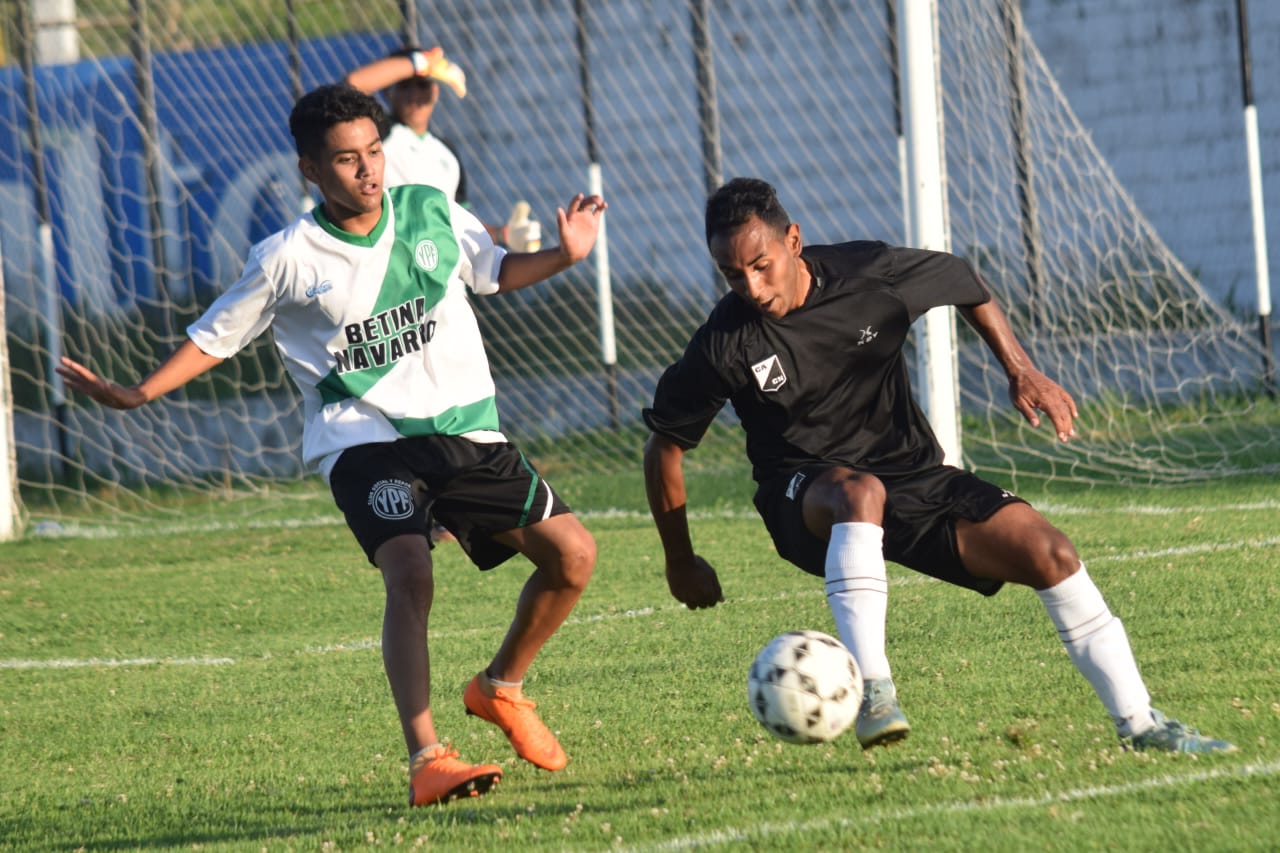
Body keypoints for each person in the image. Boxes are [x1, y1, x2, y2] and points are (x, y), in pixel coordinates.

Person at [56, 83, 608, 807]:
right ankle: (427, 758)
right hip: (363, 440)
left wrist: (565, 257)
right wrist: (138, 392)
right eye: (346, 160)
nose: (368, 170)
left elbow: (493, 271)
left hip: (463, 429)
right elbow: (214, 337)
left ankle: (499, 686)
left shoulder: (429, 206)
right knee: (409, 571)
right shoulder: (287, 257)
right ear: (311, 171)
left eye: (374, 152)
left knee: (573, 556)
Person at [642, 177, 1236, 755]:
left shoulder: (869, 275)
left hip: (914, 477)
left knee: (1051, 554)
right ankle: (875, 694)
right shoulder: (725, 342)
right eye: (730, 273)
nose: (749, 284)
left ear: (793, 241)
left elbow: (965, 281)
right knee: (859, 492)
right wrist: (679, 561)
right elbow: (665, 446)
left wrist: (1019, 367)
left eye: (760, 263)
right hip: (802, 497)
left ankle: (1139, 722)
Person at [343, 46, 541, 253]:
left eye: (422, 85)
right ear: (387, 91)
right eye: (404, 86)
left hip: (445, 275)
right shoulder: (379, 135)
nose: (414, 95)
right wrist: (420, 63)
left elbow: (457, 223)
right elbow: (352, 86)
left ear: (435, 91)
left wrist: (504, 234)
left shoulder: (446, 150)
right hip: (397, 269)